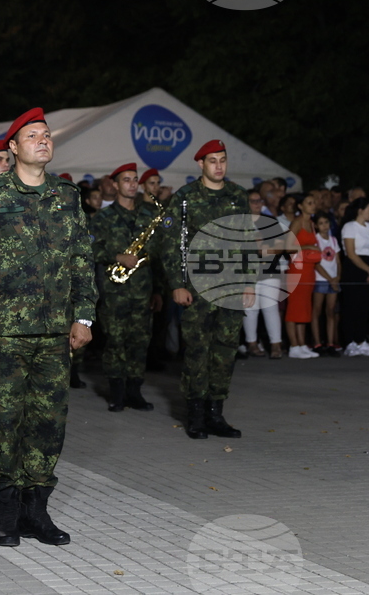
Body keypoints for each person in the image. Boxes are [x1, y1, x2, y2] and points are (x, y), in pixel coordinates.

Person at [0, 107, 97, 548]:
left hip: (55, 332)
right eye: (33, 135)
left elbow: (82, 259)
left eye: (47, 135)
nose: (43, 140)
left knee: (49, 423)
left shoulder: (67, 196)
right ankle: (8, 512)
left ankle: (38, 511)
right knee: (4, 421)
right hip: (6, 334)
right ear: (13, 148)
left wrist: (84, 315)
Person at [160, 140, 253, 440]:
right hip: (197, 288)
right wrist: (176, 284)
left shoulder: (238, 195)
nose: (219, 165)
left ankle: (216, 414)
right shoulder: (186, 197)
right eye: (212, 160)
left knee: (225, 351)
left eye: (223, 159)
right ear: (200, 164)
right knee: (197, 351)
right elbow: (172, 242)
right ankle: (196, 415)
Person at [89, 163, 163, 412]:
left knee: (140, 342)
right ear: (116, 185)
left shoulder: (149, 214)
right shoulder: (102, 218)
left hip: (143, 291)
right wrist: (117, 256)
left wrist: (158, 290)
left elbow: (159, 256)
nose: (132, 184)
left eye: (135, 179)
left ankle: (135, 392)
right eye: (126, 180)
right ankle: (116, 393)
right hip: (115, 292)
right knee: (115, 342)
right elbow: (90, 249)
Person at [243, 189, 284, 359]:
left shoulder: (271, 222)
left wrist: (263, 250)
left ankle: (276, 345)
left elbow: (280, 247)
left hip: (269, 271)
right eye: (253, 201)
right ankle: (252, 343)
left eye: (259, 200)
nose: (257, 204)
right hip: (247, 272)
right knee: (250, 308)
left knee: (270, 307)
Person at [339, 197, 369, 356]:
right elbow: (350, 253)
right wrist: (368, 270)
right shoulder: (350, 227)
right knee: (352, 306)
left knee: (365, 306)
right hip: (354, 268)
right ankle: (350, 342)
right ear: (360, 210)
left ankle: (362, 339)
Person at [285, 192, 321, 359]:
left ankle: (301, 344)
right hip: (297, 269)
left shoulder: (312, 223)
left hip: (309, 270)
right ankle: (293, 345)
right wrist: (307, 247)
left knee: (304, 307)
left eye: (313, 203)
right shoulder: (297, 222)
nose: (312, 205)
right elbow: (287, 246)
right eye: (309, 202)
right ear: (300, 206)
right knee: (294, 308)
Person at [311, 212, 341, 355]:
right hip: (321, 279)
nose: (324, 226)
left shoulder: (333, 240)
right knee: (317, 311)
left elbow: (338, 261)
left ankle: (330, 343)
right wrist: (330, 279)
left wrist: (337, 277)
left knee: (330, 311)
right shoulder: (315, 240)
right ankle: (317, 343)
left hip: (333, 280)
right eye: (321, 223)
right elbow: (316, 263)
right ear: (316, 226)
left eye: (326, 223)